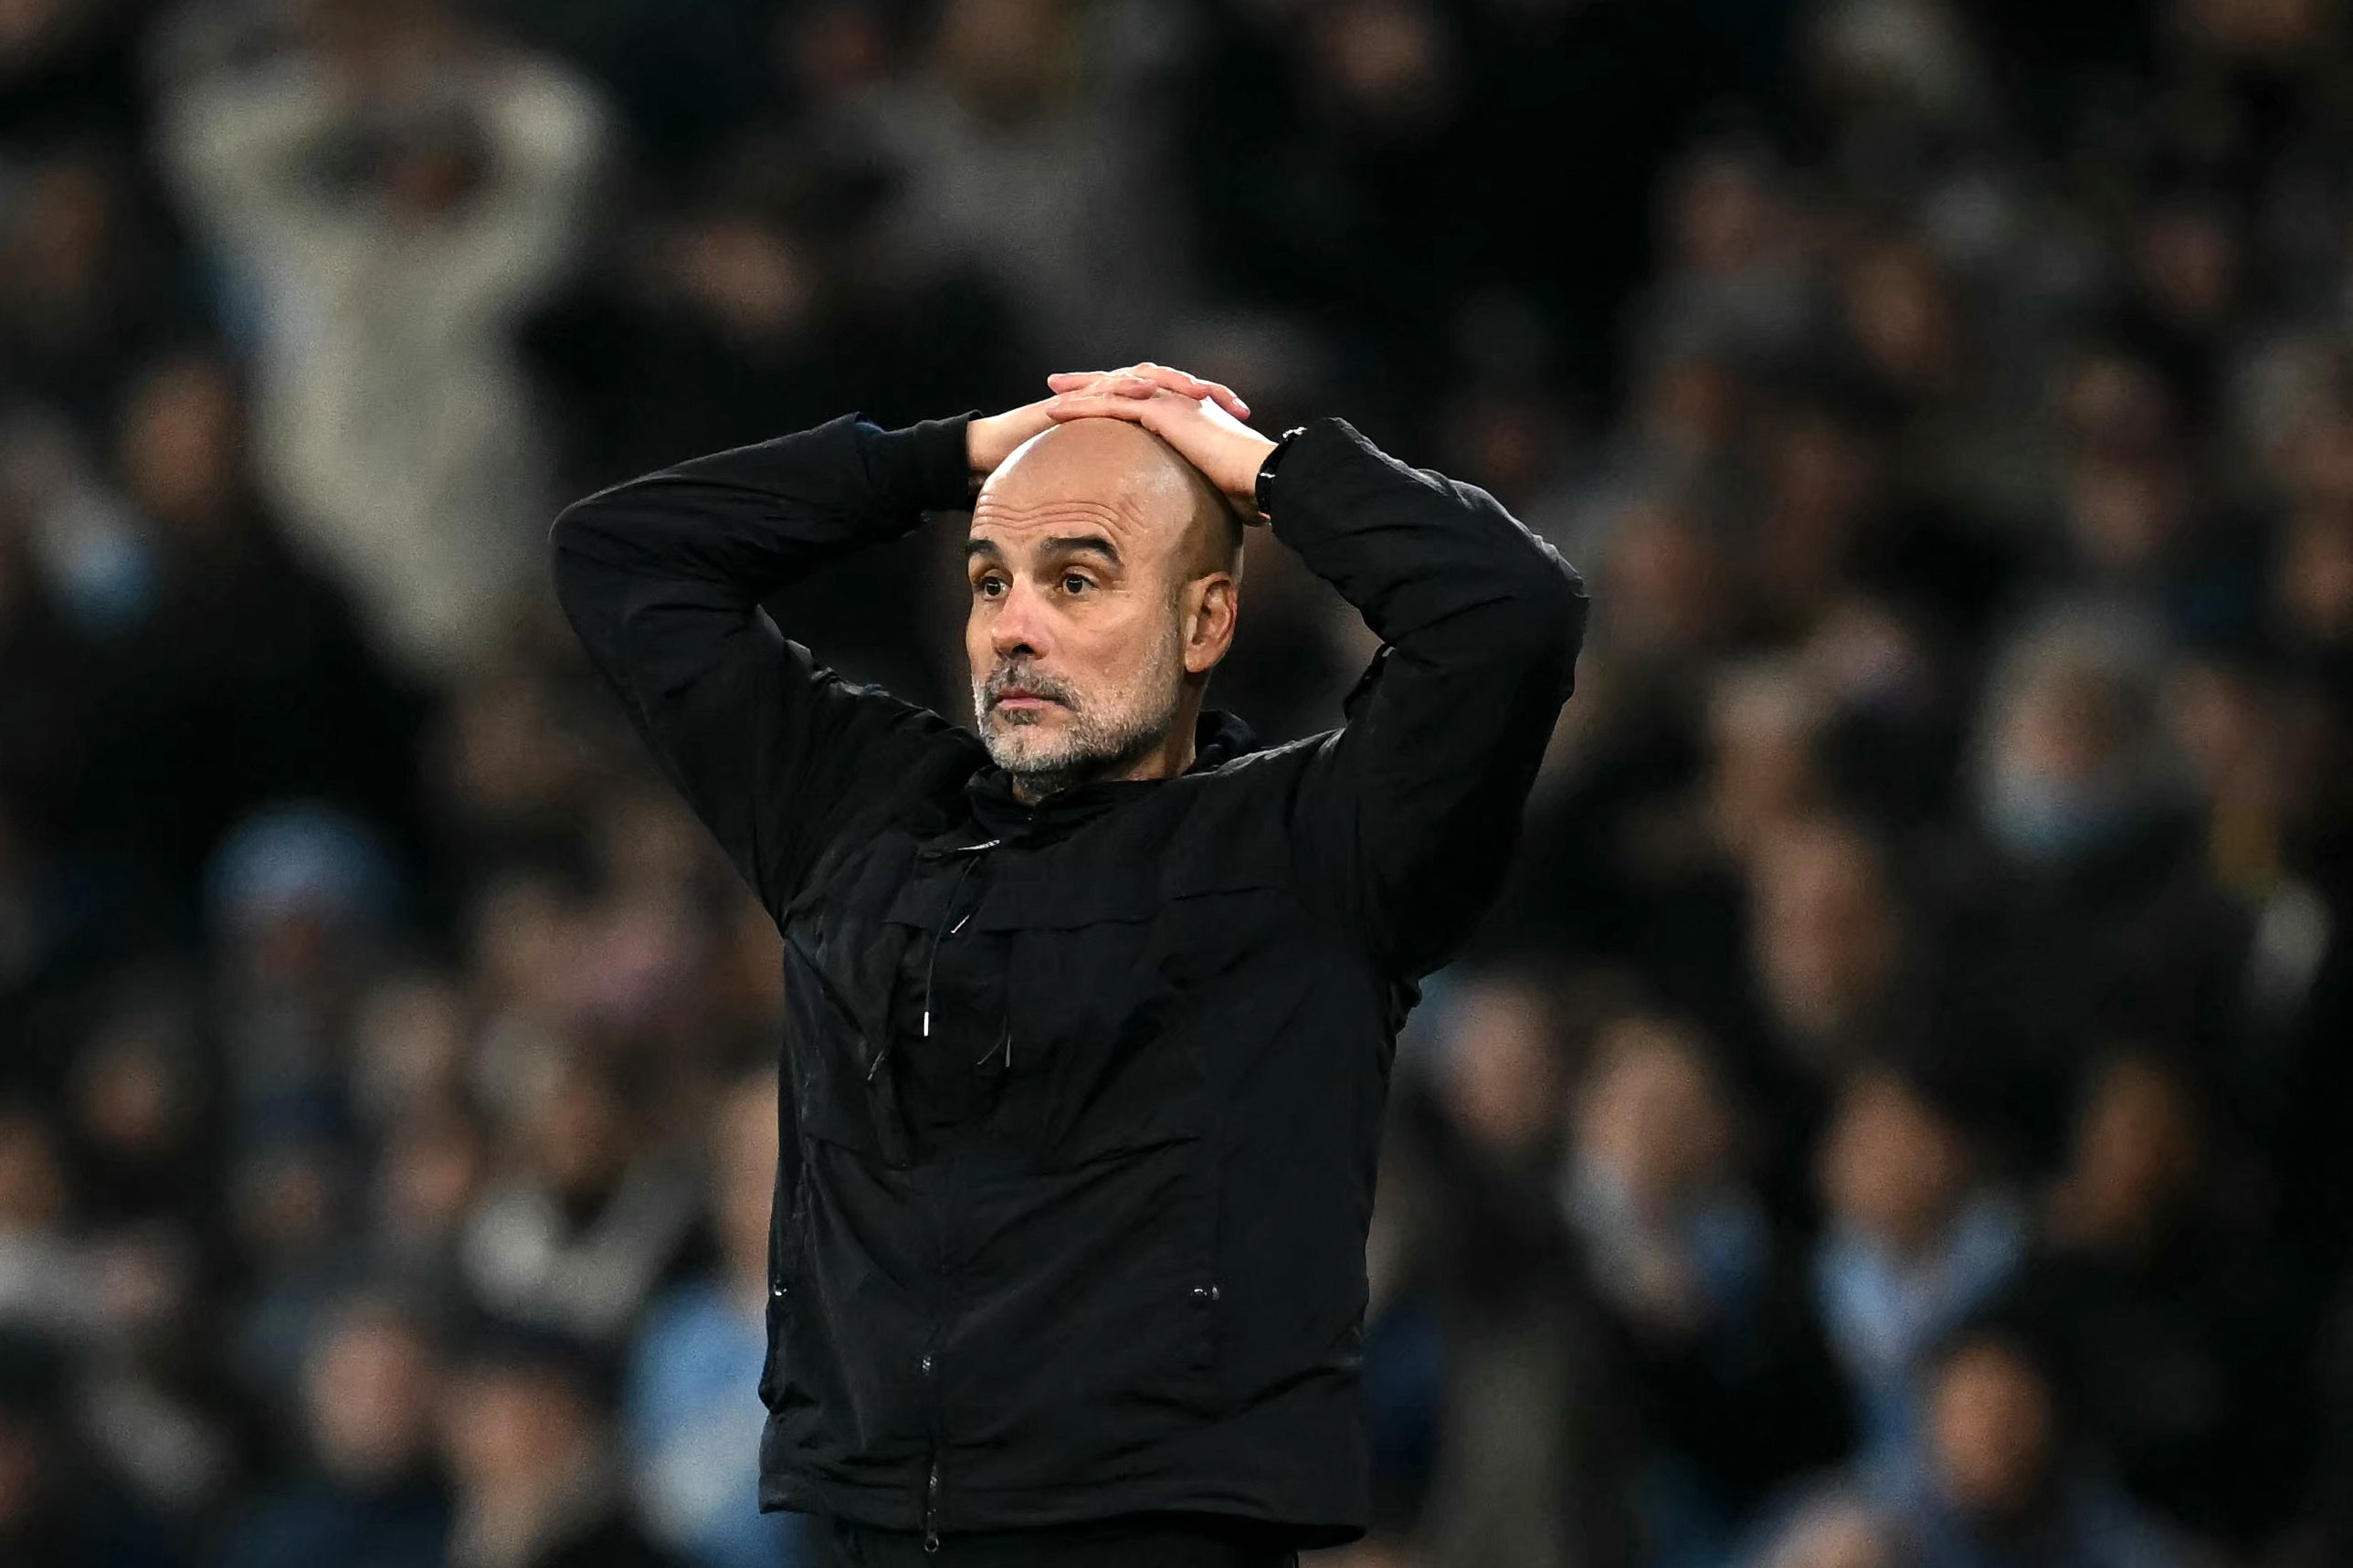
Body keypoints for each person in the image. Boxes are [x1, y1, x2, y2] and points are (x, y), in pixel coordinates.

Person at [550, 363, 1588, 1564]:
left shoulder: (1314, 853)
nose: (1014, 627)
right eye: (990, 581)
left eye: (1076, 580)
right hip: (873, 1536)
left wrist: (1264, 472)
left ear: (1205, 621)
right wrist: (948, 456)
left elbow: (1509, 609)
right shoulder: (859, 813)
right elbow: (623, 554)